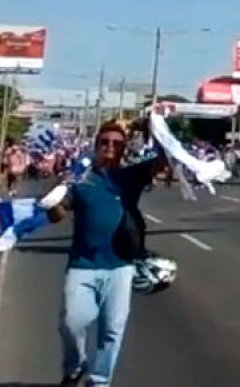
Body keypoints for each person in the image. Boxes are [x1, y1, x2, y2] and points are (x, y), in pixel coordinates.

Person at [46, 121, 168, 387]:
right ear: (96, 145)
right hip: (83, 266)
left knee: (112, 330)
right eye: (105, 142)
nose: (110, 147)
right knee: (71, 323)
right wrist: (54, 198)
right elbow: (57, 215)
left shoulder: (130, 176)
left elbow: (163, 161)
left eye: (117, 143)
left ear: (125, 148)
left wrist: (155, 128)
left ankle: (100, 381)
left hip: (120, 266)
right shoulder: (80, 179)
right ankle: (75, 366)